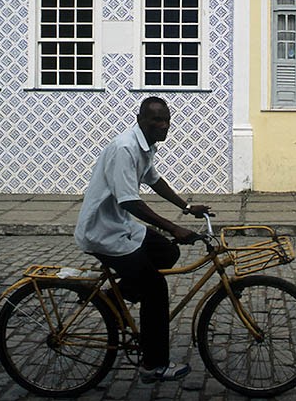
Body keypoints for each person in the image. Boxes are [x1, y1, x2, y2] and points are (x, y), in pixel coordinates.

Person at [74, 96, 210, 383]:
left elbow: (154, 180)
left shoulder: (146, 146)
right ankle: (153, 365)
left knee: (167, 253)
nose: (163, 125)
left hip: (120, 226)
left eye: (166, 119)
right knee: (155, 289)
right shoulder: (125, 148)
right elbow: (130, 202)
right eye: (156, 120)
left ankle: (113, 300)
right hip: (102, 231)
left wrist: (186, 207)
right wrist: (173, 227)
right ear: (140, 120)